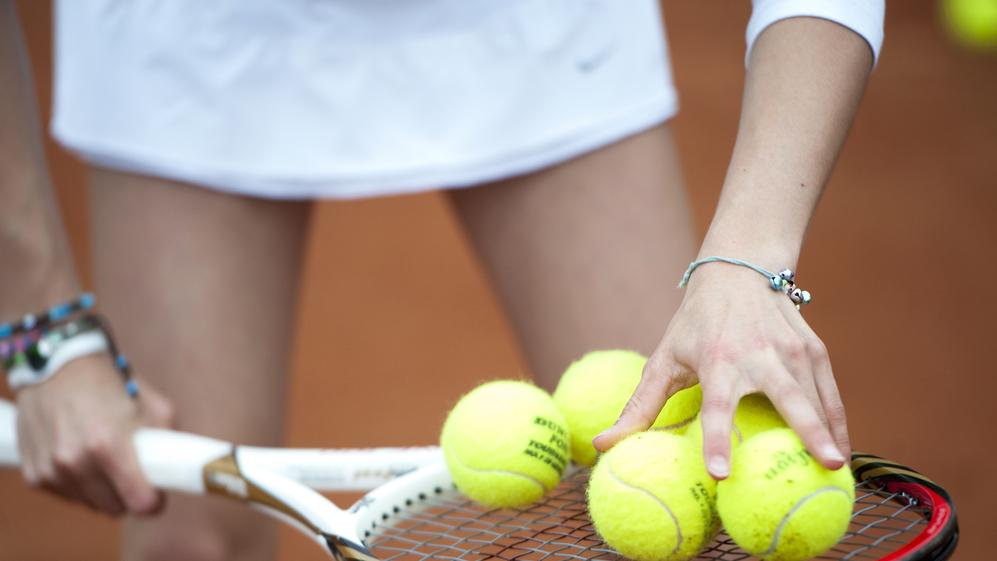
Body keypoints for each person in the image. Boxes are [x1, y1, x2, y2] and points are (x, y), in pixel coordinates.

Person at [0, 1, 884, 559]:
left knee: (687, 498)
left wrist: (745, 257)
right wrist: (42, 329)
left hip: (527, 25)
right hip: (193, 33)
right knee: (191, 537)